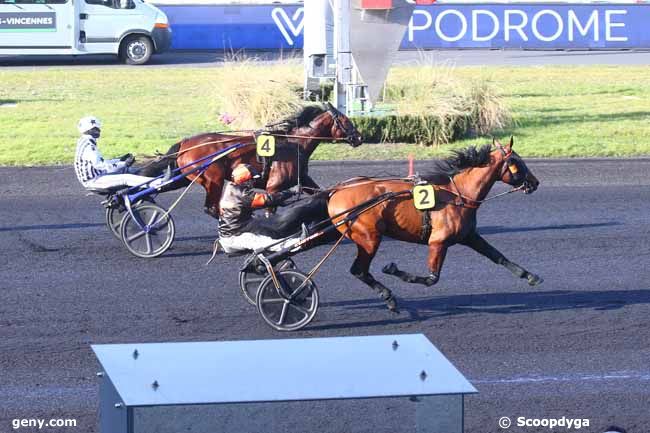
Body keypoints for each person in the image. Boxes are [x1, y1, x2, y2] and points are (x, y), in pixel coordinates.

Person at [218, 164, 306, 254]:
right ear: (245, 180)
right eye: (252, 180)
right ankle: (297, 243)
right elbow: (268, 200)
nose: (253, 182)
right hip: (235, 237)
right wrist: (291, 191)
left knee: (269, 224)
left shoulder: (229, 188)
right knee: (269, 242)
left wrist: (280, 202)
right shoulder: (244, 195)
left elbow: (245, 206)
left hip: (239, 227)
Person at [74, 116, 164, 191]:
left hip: (97, 176)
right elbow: (101, 165)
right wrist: (123, 163)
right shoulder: (89, 146)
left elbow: (103, 162)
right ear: (88, 130)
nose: (99, 130)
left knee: (128, 170)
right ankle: (159, 183)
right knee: (126, 178)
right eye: (95, 129)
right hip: (94, 180)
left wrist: (119, 159)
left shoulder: (85, 141)